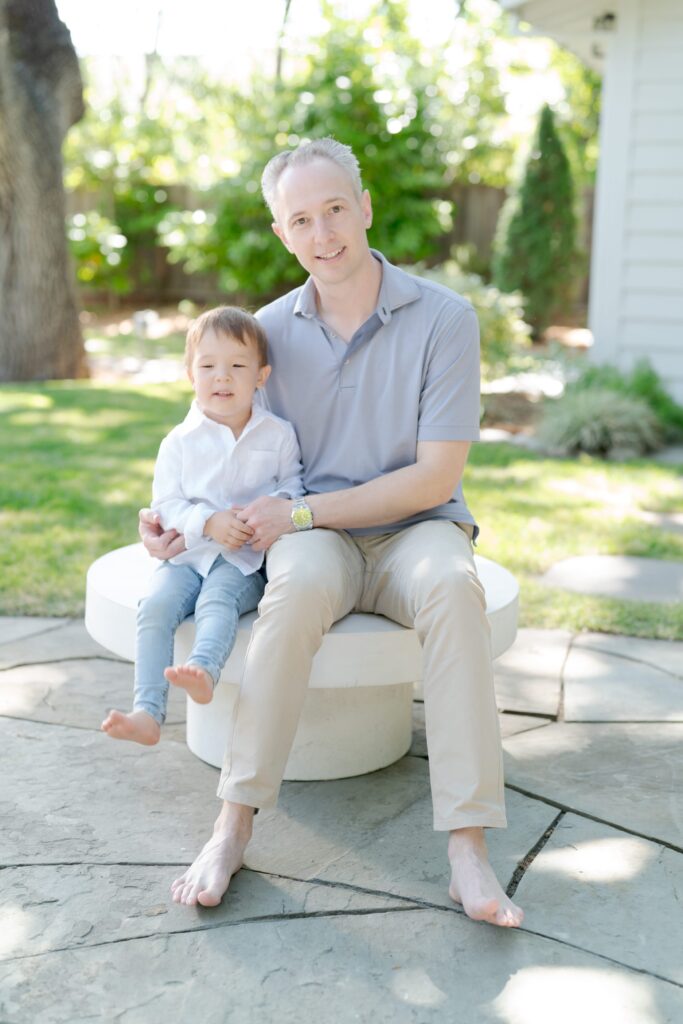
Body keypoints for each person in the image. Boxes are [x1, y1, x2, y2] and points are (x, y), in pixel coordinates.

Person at [140, 138, 524, 927]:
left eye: (335, 209)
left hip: (416, 529)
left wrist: (304, 513)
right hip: (313, 539)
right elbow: (219, 446)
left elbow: (435, 479)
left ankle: (467, 849)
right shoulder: (269, 331)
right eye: (301, 219)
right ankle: (232, 825)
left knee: (454, 588)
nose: (323, 234)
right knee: (296, 586)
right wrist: (177, 523)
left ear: (365, 207)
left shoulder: (444, 320)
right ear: (283, 233)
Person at [103, 306, 303, 745]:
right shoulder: (178, 442)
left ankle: (204, 673)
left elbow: (293, 486)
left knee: (217, 602)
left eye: (237, 366)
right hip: (188, 554)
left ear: (261, 376)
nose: (222, 377)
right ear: (191, 375)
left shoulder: (278, 434)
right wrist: (207, 521)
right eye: (208, 366)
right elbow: (166, 503)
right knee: (155, 607)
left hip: (244, 559)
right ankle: (147, 712)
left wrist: (273, 509)